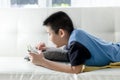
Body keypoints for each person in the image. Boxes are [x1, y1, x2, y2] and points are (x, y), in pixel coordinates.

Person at [29, 11, 120, 74]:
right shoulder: (76, 34)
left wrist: (42, 62)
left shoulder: (76, 45)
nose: (49, 38)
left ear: (61, 33)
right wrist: (46, 49)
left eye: (49, 34)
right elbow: (67, 50)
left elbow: (75, 70)